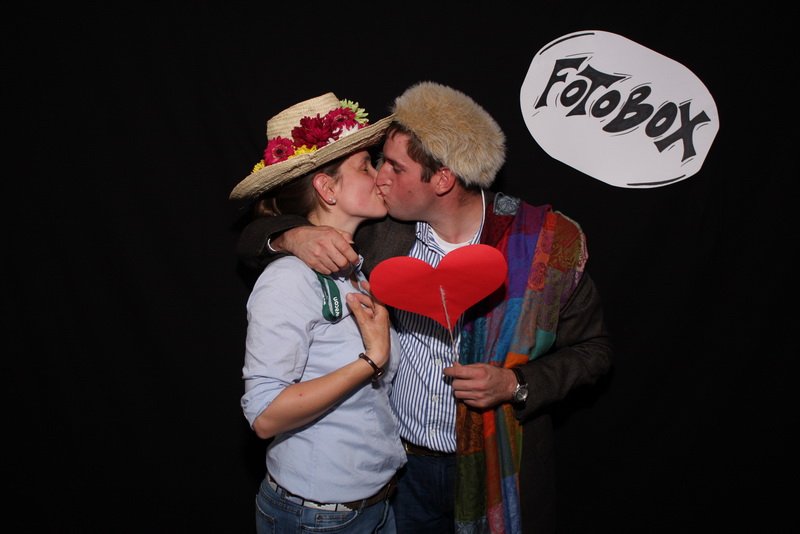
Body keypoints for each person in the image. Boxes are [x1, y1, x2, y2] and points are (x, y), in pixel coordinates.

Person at [237, 82, 613, 534]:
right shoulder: (379, 234)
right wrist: (290, 236)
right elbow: (258, 234)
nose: (380, 177)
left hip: (492, 461)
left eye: (394, 167)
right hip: (401, 470)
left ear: (442, 179)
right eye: (376, 163)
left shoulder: (542, 247)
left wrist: (517, 384)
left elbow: (594, 351)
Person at [232, 92, 406, 533]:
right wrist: (371, 360)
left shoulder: (356, 264)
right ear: (327, 189)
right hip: (318, 516)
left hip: (374, 503)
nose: (381, 176)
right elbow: (265, 415)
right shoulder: (288, 278)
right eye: (366, 166)